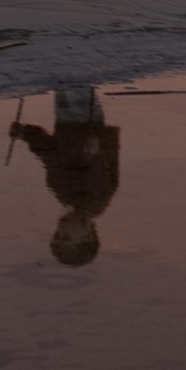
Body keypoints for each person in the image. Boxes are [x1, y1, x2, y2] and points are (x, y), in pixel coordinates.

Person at [10, 85, 121, 264]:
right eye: (66, 236)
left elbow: (50, 154)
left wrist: (26, 134)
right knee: (76, 81)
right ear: (88, 235)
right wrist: (95, 150)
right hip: (86, 123)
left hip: (66, 125)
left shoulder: (66, 196)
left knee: (64, 82)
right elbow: (98, 166)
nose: (60, 229)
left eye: (57, 234)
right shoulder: (94, 201)